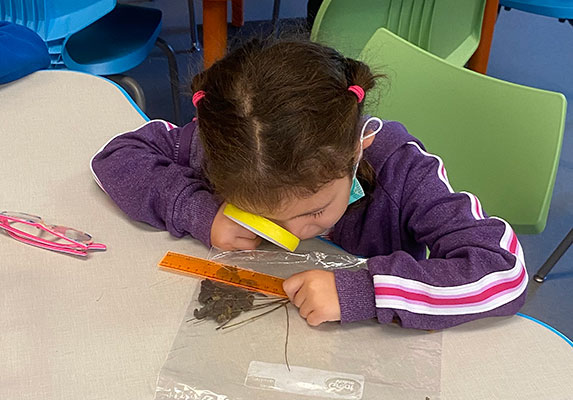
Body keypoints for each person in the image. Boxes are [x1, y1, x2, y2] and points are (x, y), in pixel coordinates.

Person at [91, 38, 527, 330]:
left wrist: (366, 291)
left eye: (315, 211)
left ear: (358, 149)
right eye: (264, 216)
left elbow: (504, 273)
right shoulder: (231, 148)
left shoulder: (400, 168)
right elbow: (118, 158)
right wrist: (201, 211)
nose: (295, 235)